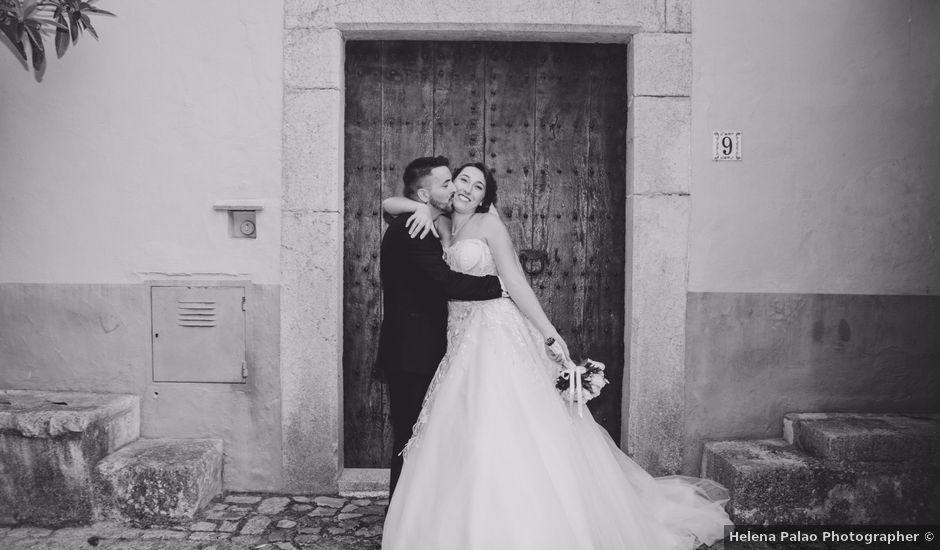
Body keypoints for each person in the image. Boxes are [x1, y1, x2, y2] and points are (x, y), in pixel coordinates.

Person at [380, 162, 731, 550]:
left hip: (493, 329)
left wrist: (549, 332)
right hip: (458, 336)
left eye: (477, 187)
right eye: (460, 180)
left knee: (502, 422)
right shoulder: (442, 222)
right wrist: (421, 208)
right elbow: (390, 202)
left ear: (485, 198)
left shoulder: (489, 226)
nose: (465, 189)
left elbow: (514, 281)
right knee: (458, 426)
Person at [375, 156, 508, 497]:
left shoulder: (431, 219)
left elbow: (392, 203)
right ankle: (401, 518)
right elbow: (445, 282)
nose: (454, 189)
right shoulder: (412, 231)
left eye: (457, 182)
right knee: (409, 437)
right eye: (446, 184)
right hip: (411, 355)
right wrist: (499, 286)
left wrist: (417, 207)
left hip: (426, 349)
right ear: (424, 195)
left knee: (423, 437)